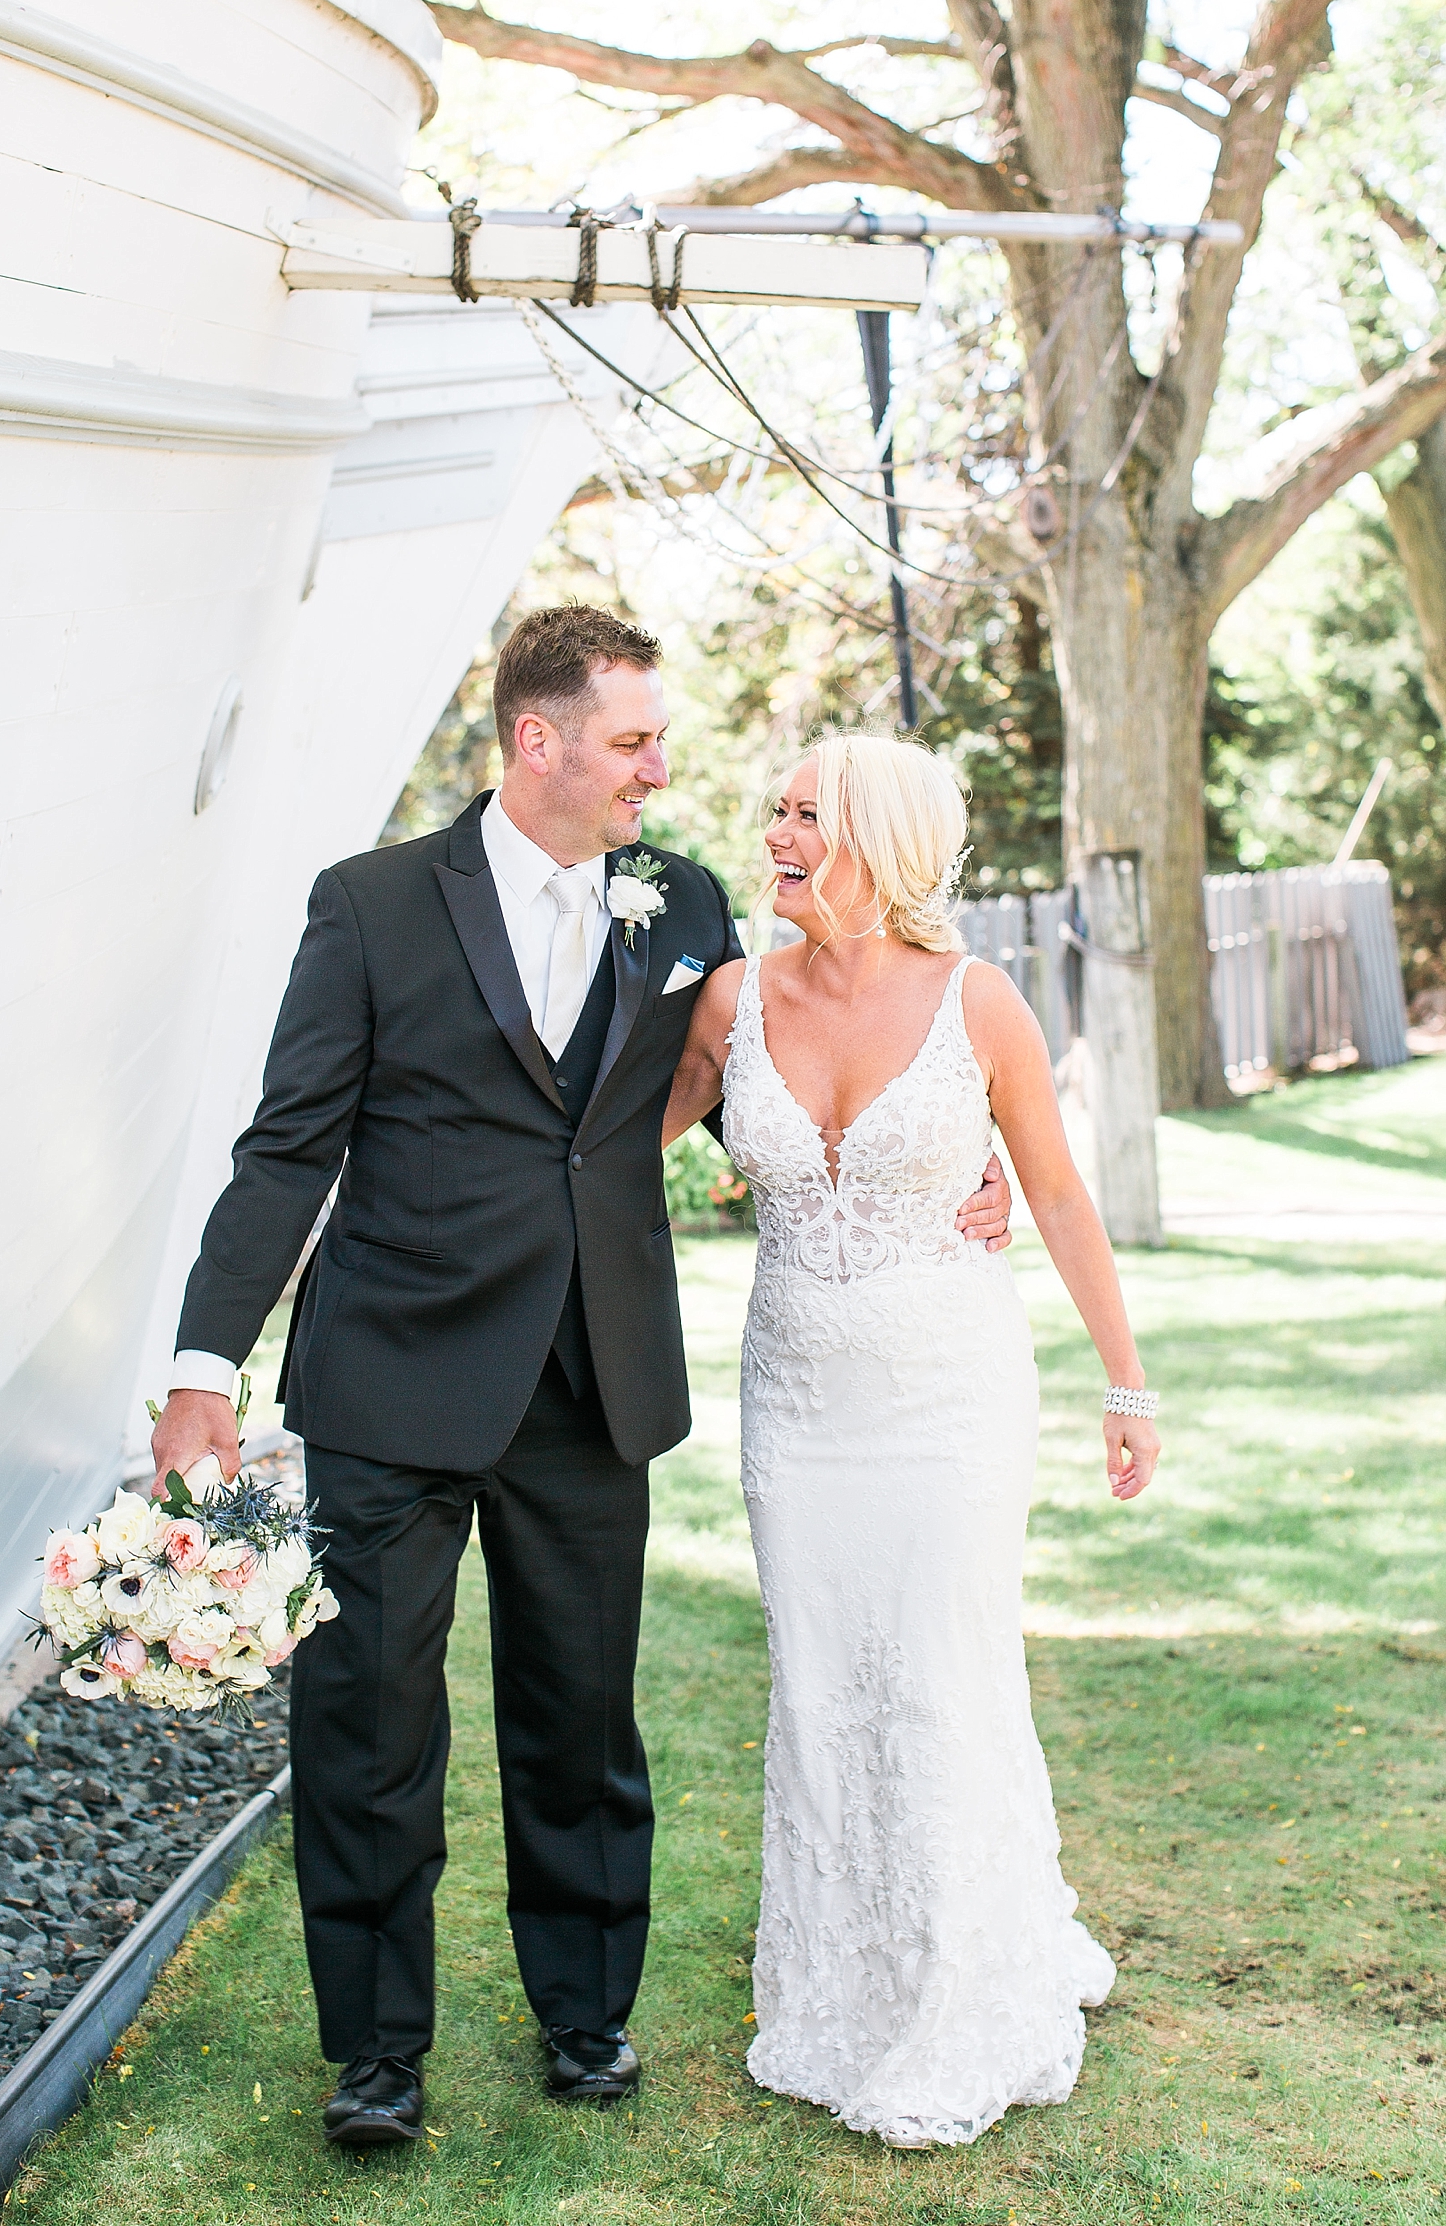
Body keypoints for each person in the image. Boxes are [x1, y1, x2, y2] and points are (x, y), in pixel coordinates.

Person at [150, 611, 1013, 2150]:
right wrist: (203, 1364)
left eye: (661, 741)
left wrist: (970, 1159)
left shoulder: (678, 899)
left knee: (577, 1717)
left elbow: (800, 1045)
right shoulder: (370, 905)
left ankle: (584, 2017)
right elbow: (288, 1145)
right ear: (537, 742)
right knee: (367, 1720)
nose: (662, 769)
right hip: (389, 1382)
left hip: (589, 1382)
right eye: (633, 741)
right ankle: (375, 2052)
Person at [664, 732, 1160, 2149]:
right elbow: (615, 1156)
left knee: (941, 1675)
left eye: (805, 814)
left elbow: (1057, 1195)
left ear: (877, 841)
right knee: (822, 1683)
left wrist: (1127, 1384)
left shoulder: (977, 1002)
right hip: (798, 1409)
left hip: (952, 1401)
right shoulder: (730, 1000)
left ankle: (957, 1999)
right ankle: (836, 1988)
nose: (776, 833)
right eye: (775, 810)